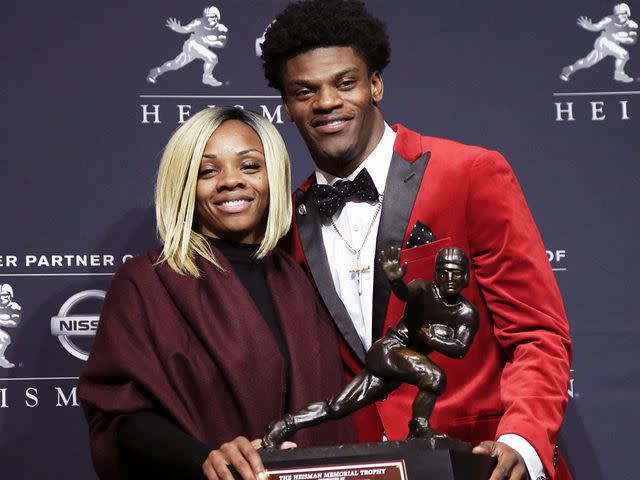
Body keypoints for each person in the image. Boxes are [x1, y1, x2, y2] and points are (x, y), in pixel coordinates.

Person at [259, 1, 573, 479]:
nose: (326, 103)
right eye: (305, 91)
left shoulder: (468, 173)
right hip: (365, 467)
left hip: (482, 462)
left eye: (345, 82)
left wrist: (523, 439)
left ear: (375, 84)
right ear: (286, 105)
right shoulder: (284, 221)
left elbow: (537, 334)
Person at [78, 107, 354, 480]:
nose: (231, 181)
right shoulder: (146, 282)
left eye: (250, 166)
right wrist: (205, 458)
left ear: (274, 177)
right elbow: (119, 416)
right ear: (184, 185)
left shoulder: (301, 280)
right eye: (209, 171)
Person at [263, 246, 479, 447]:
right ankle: (418, 429)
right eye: (444, 273)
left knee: (337, 406)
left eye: (456, 273)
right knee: (434, 376)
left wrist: (430, 337)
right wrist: (396, 282)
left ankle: (283, 425)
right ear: (436, 275)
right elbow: (406, 293)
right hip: (389, 350)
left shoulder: (466, 313)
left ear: (466, 277)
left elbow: (460, 348)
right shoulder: (424, 289)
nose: (450, 279)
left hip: (402, 366)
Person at [147, 6, 228, 87]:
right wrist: (178, 28)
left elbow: (221, 44)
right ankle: (207, 77)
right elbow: (186, 29)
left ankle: (156, 71)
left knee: (175, 64)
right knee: (213, 58)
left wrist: (208, 41)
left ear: (217, 17)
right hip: (192, 45)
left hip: (201, 48)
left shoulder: (222, 29)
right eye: (207, 17)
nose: (210, 19)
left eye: (212, 17)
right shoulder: (198, 22)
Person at [560, 3, 638, 83]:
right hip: (603, 42)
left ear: (627, 13)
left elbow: (632, 40)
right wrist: (589, 26)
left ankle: (569, 69)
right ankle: (619, 74)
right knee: (623, 54)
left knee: (587, 62)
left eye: (621, 14)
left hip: (611, 46)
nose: (619, 16)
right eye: (617, 14)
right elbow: (597, 26)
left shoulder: (632, 25)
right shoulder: (609, 19)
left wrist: (619, 38)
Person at [0, 283, 21, 368]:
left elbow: (14, 323)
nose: (2, 297)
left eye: (5, 295)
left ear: (10, 295)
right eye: (0, 295)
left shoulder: (15, 307)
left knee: (3, 336)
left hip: (9, 334)